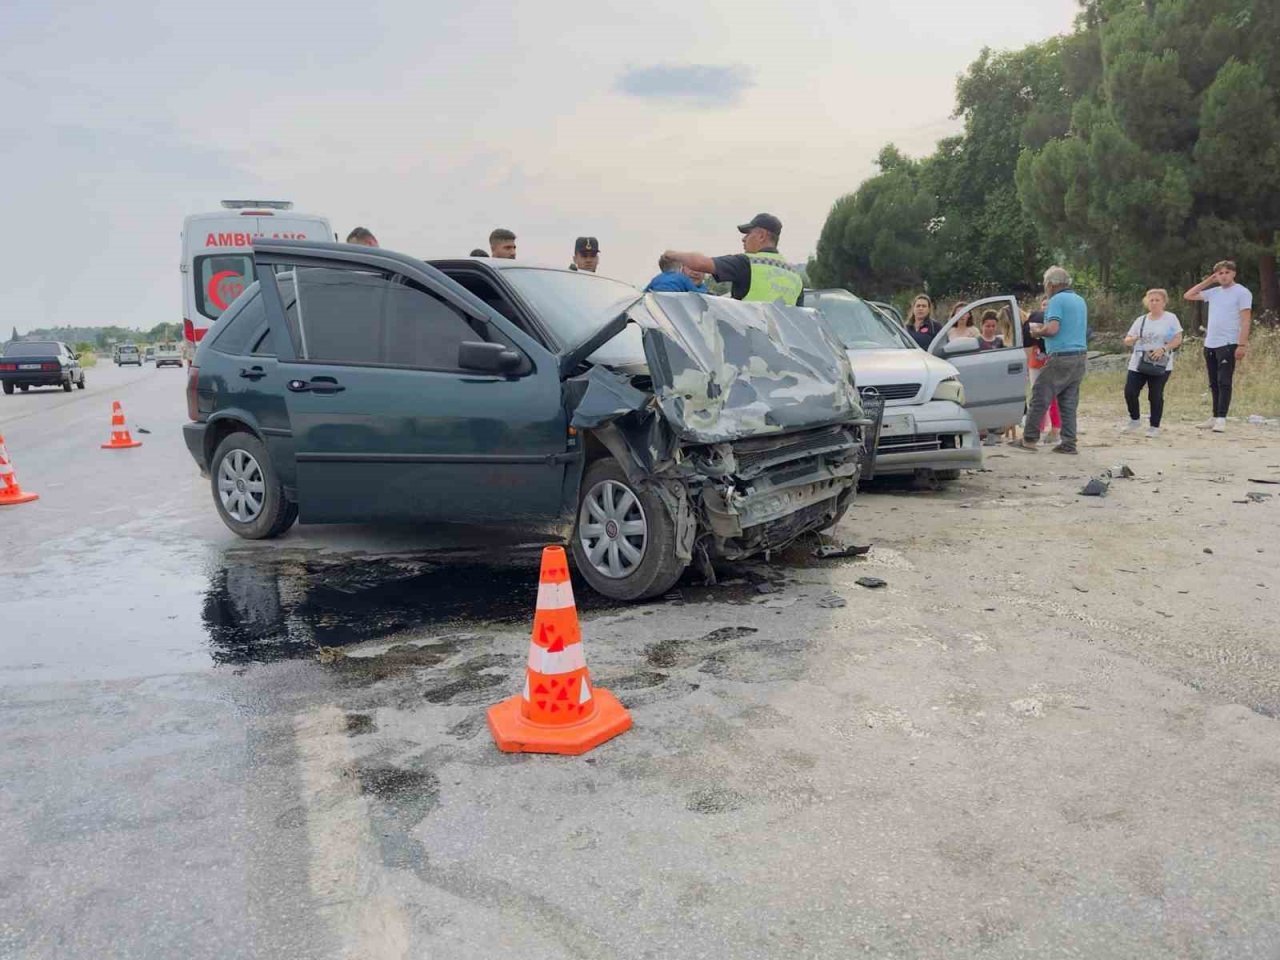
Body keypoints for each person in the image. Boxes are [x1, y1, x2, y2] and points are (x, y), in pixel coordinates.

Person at [1009, 265, 1088, 454]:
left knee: (1040, 395)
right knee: (1068, 401)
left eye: (1045, 284)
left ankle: (1029, 438)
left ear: (1052, 284)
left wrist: (1037, 332)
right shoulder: (1079, 300)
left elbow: (1053, 329)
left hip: (1061, 356)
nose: (1045, 287)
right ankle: (1069, 443)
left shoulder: (1056, 300)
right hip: (1080, 356)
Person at [662, 213, 803, 306]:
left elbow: (700, 263)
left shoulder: (747, 263)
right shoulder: (796, 277)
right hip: (780, 344)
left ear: (761, 236)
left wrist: (672, 254)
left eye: (748, 234)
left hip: (750, 341)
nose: (744, 239)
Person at [1183, 259, 1252, 433]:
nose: (1224, 276)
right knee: (1213, 382)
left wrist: (1242, 344)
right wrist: (1209, 281)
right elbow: (1188, 295)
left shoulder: (1242, 292)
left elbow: (1245, 320)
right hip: (1211, 342)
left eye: (1227, 272)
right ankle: (1214, 416)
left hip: (1228, 342)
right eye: (1220, 273)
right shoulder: (1213, 292)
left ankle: (1222, 418)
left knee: (1224, 381)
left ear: (1233, 273)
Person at [1121, 288, 1183, 438]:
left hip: (1160, 363)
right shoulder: (1141, 320)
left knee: (1155, 394)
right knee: (1130, 392)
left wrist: (1164, 349)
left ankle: (1154, 426)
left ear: (1164, 302)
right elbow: (1127, 340)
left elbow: (1178, 339)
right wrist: (1133, 339)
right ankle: (1134, 419)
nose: (1154, 303)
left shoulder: (1170, 318)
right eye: (1151, 300)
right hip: (1139, 362)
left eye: (1157, 300)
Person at [1022, 296, 1061, 445]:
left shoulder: (1055, 324)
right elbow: (1028, 342)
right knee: (1037, 396)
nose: (1045, 307)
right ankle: (1039, 428)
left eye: (1048, 305)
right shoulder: (1034, 319)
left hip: (1050, 362)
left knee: (1053, 397)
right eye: (1043, 304)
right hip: (1035, 363)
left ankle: (1055, 429)